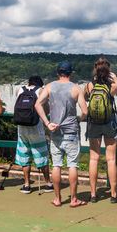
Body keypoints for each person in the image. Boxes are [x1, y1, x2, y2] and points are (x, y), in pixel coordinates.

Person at [35, 62, 88, 207]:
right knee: (72, 165)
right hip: (71, 132)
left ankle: (58, 199)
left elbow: (37, 104)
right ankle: (73, 199)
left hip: (55, 131)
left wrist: (47, 123)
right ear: (71, 73)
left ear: (58, 73)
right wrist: (77, 121)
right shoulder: (76, 88)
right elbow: (85, 111)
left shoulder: (49, 87)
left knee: (56, 165)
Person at [84, 58, 117, 204]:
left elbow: (84, 98)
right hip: (109, 124)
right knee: (111, 159)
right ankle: (114, 195)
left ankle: (93, 194)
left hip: (93, 124)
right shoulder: (113, 86)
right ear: (108, 71)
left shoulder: (89, 85)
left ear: (95, 70)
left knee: (93, 159)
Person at [15, 75, 53, 194]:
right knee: (42, 157)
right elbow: (46, 110)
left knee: (25, 158)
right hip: (36, 130)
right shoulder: (40, 91)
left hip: (22, 130)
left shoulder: (19, 90)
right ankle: (47, 183)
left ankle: (26, 185)